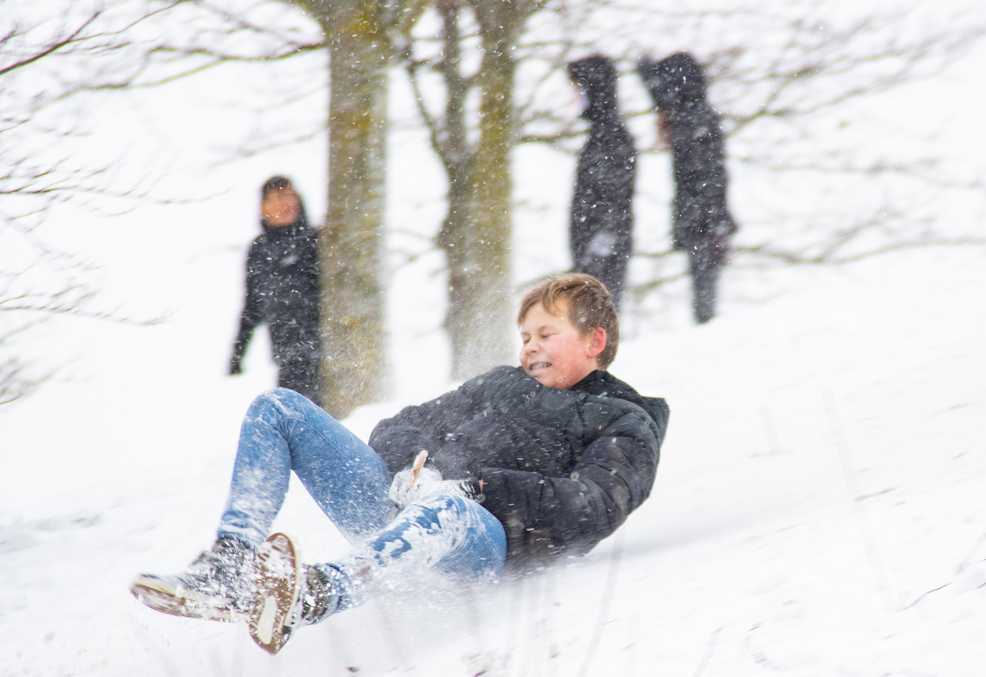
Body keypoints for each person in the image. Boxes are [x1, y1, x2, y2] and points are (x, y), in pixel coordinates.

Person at [131, 273, 669, 654]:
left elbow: (591, 506)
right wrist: (412, 468)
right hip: (401, 508)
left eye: (546, 334)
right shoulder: (501, 383)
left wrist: (475, 487)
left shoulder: (625, 422)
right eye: (525, 336)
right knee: (279, 408)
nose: (529, 347)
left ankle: (316, 593)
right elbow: (401, 425)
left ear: (595, 340)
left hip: (483, 542)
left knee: (449, 507)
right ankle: (229, 566)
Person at [637, 53, 737, 324]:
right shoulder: (696, 117)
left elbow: (707, 178)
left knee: (704, 302)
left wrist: (700, 220)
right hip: (705, 221)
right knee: (704, 297)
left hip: (704, 223)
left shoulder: (693, 120)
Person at [228, 176, 322, 405]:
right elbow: (252, 307)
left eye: (290, 195)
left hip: (324, 353)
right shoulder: (259, 250)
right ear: (264, 207)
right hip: (288, 358)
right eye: (278, 197)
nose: (286, 203)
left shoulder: (315, 240)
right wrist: (238, 354)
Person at [567, 55, 637, 309]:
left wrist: (601, 241)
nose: (574, 97)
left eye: (578, 89)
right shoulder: (601, 135)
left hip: (602, 253)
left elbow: (615, 196)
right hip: (593, 251)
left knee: (596, 332)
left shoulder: (612, 136)